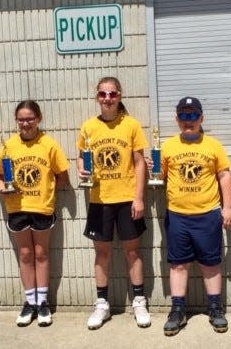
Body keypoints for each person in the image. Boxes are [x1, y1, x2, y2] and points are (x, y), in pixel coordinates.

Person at [156, 96, 231, 336]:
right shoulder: (168, 146)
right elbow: (161, 178)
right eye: (183, 116)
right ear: (177, 119)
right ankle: (178, 310)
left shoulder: (213, 145)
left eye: (192, 116)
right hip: (178, 215)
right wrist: (154, 169)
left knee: (210, 263)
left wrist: (228, 207)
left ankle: (215, 307)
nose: (188, 121)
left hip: (208, 214)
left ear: (201, 118)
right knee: (179, 264)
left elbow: (224, 176)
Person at [77, 77, 151, 330]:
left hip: (127, 200)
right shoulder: (88, 127)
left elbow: (140, 163)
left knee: (133, 252)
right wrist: (81, 170)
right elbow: (81, 158)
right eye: (102, 94)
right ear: (97, 97)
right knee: (102, 253)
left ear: (119, 96)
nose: (107, 98)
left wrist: (139, 197)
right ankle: (102, 304)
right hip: (100, 200)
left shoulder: (131, 125)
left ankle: (139, 301)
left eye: (112, 94)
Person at [0, 100, 70, 327]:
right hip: (17, 208)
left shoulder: (49, 144)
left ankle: (43, 302)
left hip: (42, 208)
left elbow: (63, 177)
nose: (25, 123)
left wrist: (45, 190)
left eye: (30, 119)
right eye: (21, 119)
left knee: (41, 254)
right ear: (16, 121)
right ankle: (30, 302)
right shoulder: (8, 146)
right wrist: (3, 190)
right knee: (25, 255)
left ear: (39, 119)